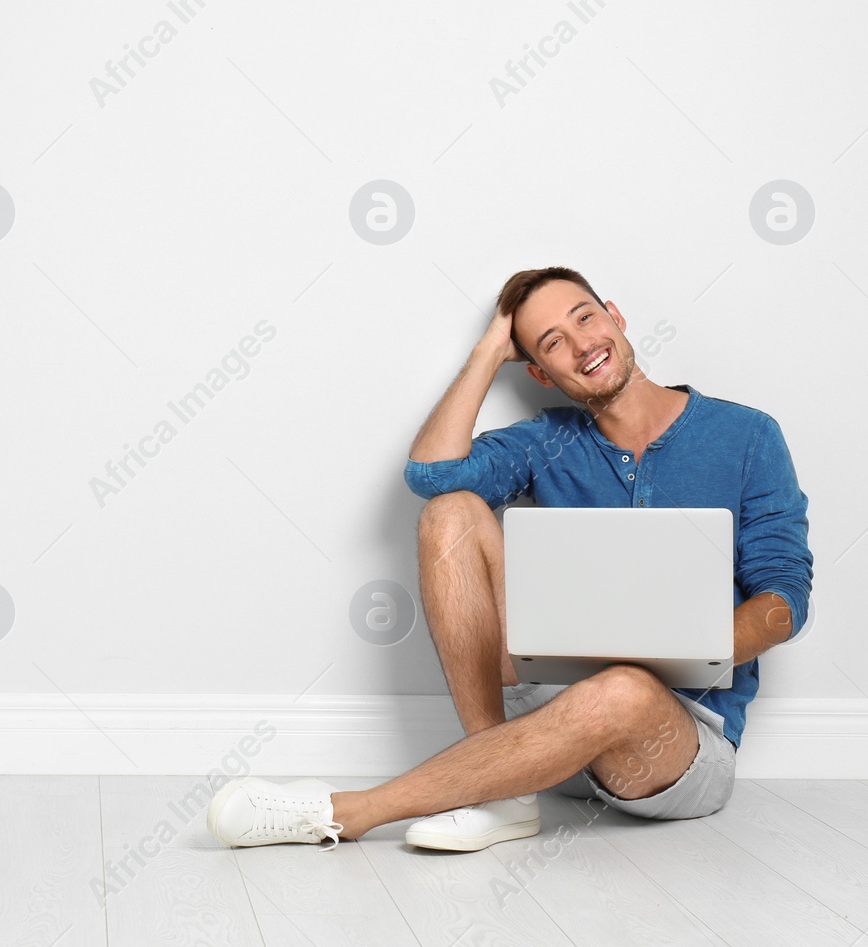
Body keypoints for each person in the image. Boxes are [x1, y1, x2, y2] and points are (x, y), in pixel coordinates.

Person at [208, 266, 813, 850]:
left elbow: (785, 598)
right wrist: (490, 350)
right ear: (541, 373)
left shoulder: (748, 435)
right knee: (450, 512)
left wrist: (678, 648)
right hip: (544, 719)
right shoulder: (548, 439)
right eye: (553, 343)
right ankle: (505, 794)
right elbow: (431, 473)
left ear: (617, 317)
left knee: (624, 689)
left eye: (585, 318)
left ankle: (352, 812)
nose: (581, 346)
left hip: (670, 746)